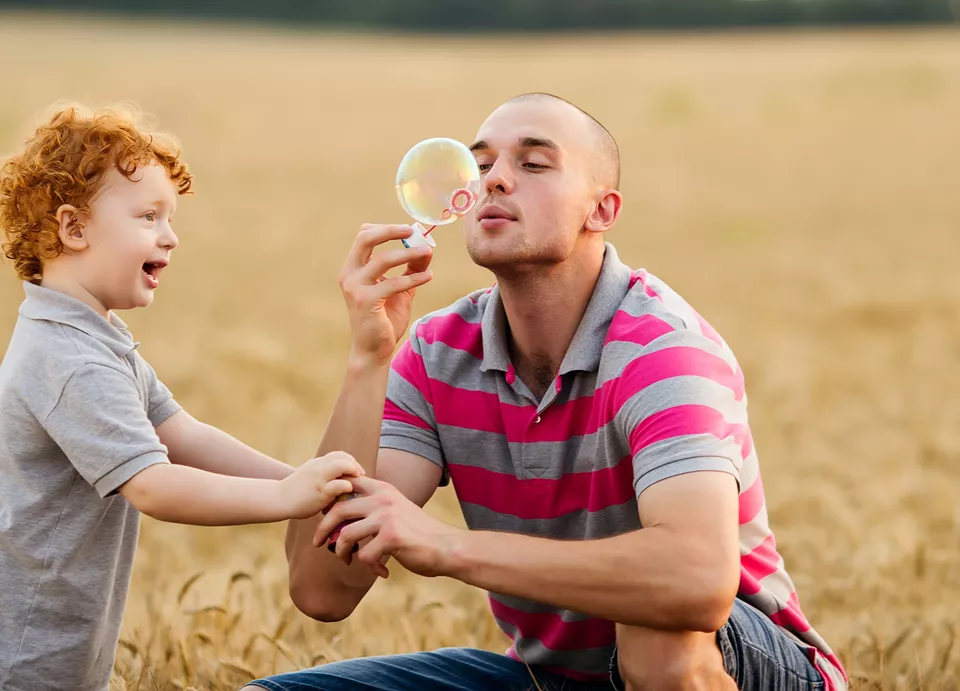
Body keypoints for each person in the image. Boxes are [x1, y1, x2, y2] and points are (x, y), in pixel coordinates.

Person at [245, 93, 848, 691]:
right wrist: (367, 361)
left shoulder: (661, 349)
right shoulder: (435, 353)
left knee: (655, 638)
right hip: (550, 679)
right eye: (480, 165)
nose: (495, 180)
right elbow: (321, 590)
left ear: (601, 210)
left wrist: (451, 546)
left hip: (746, 665)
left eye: (533, 165)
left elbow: (696, 583)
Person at [0, 104, 365, 691]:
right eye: (148, 216)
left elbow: (182, 435)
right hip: (24, 659)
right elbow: (154, 484)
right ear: (73, 229)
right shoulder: (68, 362)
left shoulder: (94, 337)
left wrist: (311, 482)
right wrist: (286, 496)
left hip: (58, 652)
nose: (170, 237)